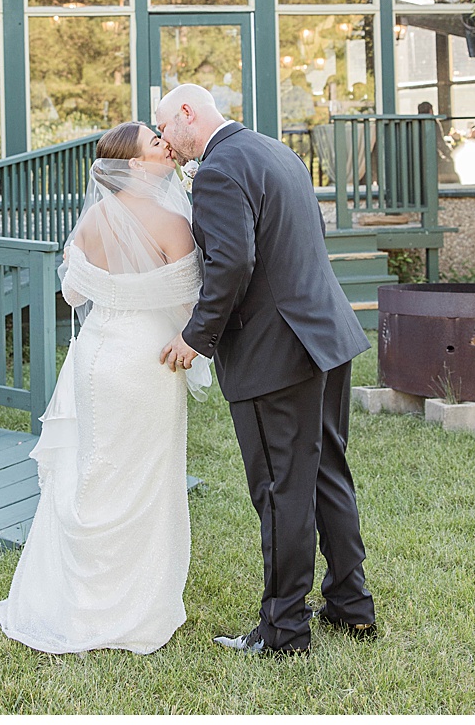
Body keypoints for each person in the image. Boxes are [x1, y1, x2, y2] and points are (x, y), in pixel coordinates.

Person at [156, 84, 376, 657]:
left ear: (188, 113)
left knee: (280, 490)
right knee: (326, 471)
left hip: (275, 355)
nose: (165, 143)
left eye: (165, 127)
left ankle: (283, 631)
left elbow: (233, 263)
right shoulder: (276, 151)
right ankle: (351, 605)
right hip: (324, 335)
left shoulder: (220, 170)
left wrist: (195, 337)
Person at [0, 121, 209, 656]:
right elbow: (191, 303)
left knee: (93, 469)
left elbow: (72, 291)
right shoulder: (172, 222)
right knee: (143, 473)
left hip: (94, 358)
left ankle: (72, 599)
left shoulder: (91, 221)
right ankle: (128, 606)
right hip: (147, 361)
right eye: (156, 143)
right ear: (133, 164)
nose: (168, 146)